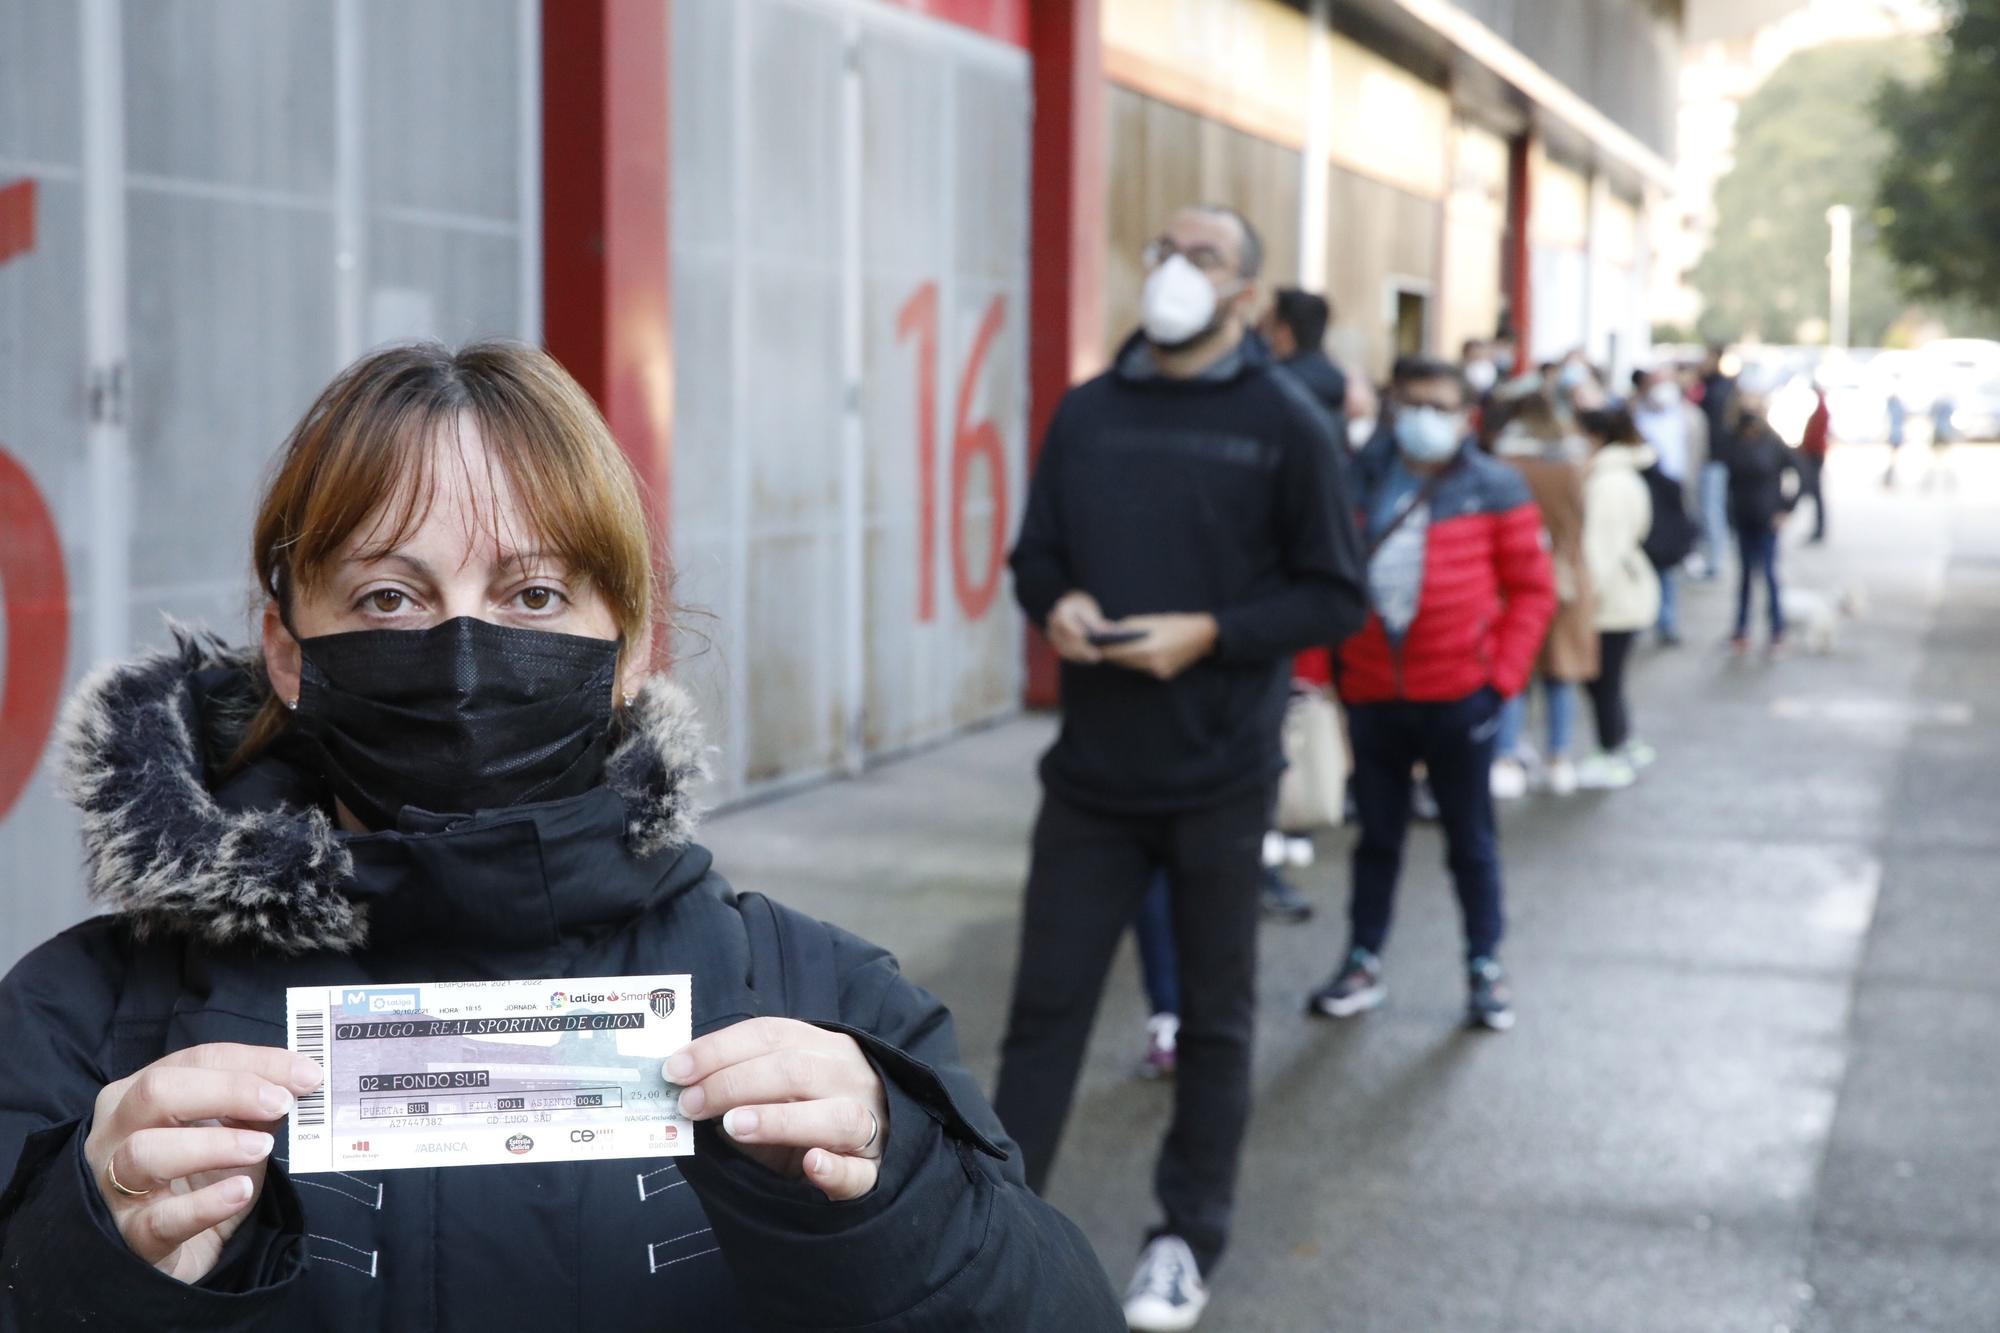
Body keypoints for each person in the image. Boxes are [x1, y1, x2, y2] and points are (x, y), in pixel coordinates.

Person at [0, 342, 1124, 1331]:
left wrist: (897, 1191)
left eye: (533, 594)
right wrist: (79, 1258)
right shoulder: (86, 1025)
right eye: (390, 598)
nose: (464, 649)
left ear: (627, 650)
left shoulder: (816, 998)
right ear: (288, 655)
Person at [998, 203, 1367, 1331]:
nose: (1172, 269)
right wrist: (1053, 599)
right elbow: (1034, 553)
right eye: (1162, 249)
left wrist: (1205, 632)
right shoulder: (1089, 411)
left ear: (1245, 296)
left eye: (1201, 256)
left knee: (1214, 1016)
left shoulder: (1284, 423)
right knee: (1043, 1010)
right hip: (1091, 774)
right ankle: (996, 1231)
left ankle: (1181, 1236)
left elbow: (1330, 592)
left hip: (1219, 773)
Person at [1305, 358, 1555, 1033]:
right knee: (1376, 838)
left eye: (1439, 405)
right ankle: (1362, 960)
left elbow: (1534, 590)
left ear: (1466, 414)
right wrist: (1326, 675)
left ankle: (1484, 964)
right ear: (1390, 404)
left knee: (1470, 839)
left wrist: (1498, 680)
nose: (1424, 417)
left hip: (1460, 697)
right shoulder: (1355, 481)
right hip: (1372, 694)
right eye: (1411, 402)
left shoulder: (1495, 485)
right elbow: (1321, 575)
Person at [1490, 390, 1596, 798]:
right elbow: (1582, 520)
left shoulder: (1505, 465)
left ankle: (1505, 757)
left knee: (1514, 671)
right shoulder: (1574, 464)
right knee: (1560, 672)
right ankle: (1559, 757)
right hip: (1564, 576)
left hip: (1512, 577)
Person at [1575, 408, 1663, 790]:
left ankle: (1611, 751)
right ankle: (1621, 742)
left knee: (1603, 681)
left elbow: (1601, 551)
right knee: (1608, 679)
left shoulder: (1607, 484)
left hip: (1613, 600)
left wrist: (1581, 598)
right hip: (1624, 592)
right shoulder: (1616, 476)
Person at [1720, 392, 1801, 656]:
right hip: (1744, 519)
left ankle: (1777, 630)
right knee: (1745, 576)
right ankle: (1741, 630)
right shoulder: (1733, 442)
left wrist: (1785, 508)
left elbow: (1800, 473)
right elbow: (1728, 481)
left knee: (1768, 574)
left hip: (1767, 519)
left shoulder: (1772, 443)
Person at [1629, 367, 1694, 646]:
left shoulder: (1681, 418)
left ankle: (1665, 622)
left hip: (1668, 497)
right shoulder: (1637, 417)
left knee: (1664, 563)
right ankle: (1639, 618)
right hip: (1644, 493)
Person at [1695, 348, 1738, 578]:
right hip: (1712, 456)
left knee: (1712, 509)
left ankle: (1714, 562)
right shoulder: (1716, 386)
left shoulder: (1719, 389)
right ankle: (1712, 559)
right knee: (1710, 509)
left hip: (1715, 457)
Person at [1798, 382, 1832, 542]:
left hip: (1815, 454)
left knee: (1815, 491)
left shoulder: (1821, 410)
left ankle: (1819, 528)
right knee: (1813, 491)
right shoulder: (1819, 408)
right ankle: (1818, 528)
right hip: (1813, 452)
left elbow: (1816, 435)